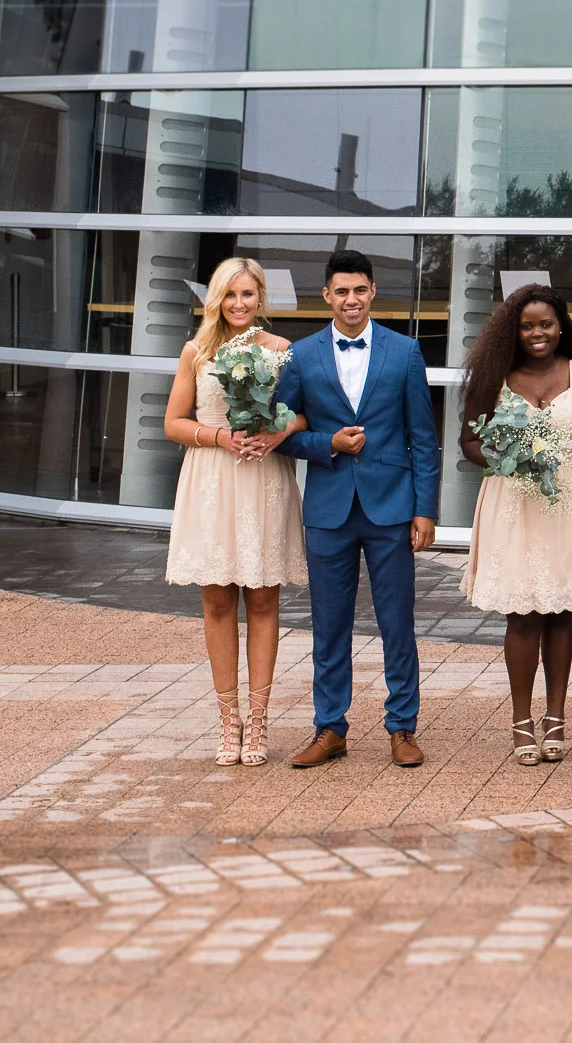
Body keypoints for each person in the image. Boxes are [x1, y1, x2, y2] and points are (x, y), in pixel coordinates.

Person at [274, 251, 441, 770]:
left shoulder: (405, 352)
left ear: (372, 292)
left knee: (397, 623)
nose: (352, 299)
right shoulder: (300, 356)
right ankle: (330, 729)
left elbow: (423, 438)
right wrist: (328, 444)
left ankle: (402, 728)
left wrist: (425, 509)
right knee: (329, 624)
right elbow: (282, 432)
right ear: (326, 295)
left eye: (360, 290)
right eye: (342, 291)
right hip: (328, 508)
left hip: (391, 505)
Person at [457, 285, 572, 765]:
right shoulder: (496, 374)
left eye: (546, 324)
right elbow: (468, 440)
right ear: (514, 330)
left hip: (566, 499)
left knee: (562, 611)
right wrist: (505, 459)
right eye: (527, 326)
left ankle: (557, 718)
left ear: (561, 325)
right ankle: (522, 720)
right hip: (513, 500)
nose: (537, 333)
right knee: (522, 614)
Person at [162, 256, 308, 767]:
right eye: (230, 295)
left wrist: (276, 432)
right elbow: (173, 423)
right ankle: (229, 721)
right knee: (218, 603)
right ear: (216, 299)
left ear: (261, 298)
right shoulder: (196, 352)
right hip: (212, 481)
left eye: (248, 295)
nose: (239, 304)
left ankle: (260, 719)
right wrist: (220, 437)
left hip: (263, 479)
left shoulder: (282, 351)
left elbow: (305, 410)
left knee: (264, 600)